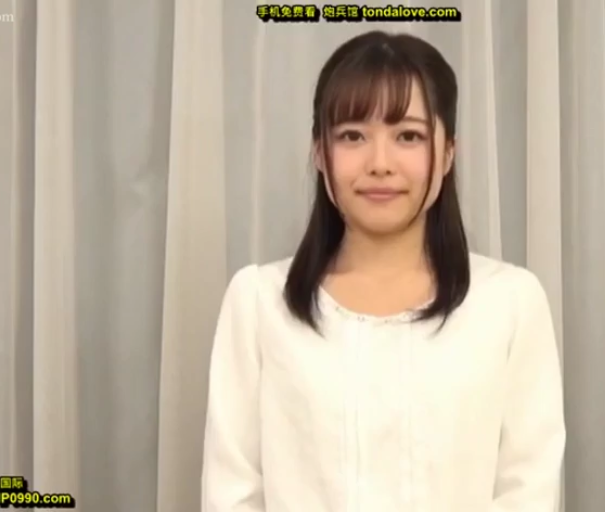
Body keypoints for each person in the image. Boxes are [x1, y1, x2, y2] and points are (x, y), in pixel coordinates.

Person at [201, 30, 565, 512]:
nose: (379, 163)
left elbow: (528, 491)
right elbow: (232, 494)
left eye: (408, 136)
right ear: (319, 153)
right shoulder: (257, 302)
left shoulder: (510, 303)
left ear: (448, 153)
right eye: (352, 135)